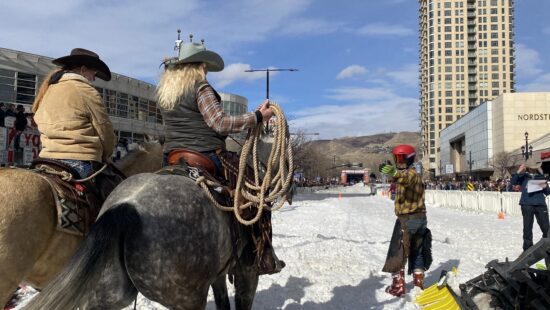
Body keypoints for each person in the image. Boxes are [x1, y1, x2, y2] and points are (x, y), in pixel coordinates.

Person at [156, 39, 283, 275]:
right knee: (258, 192)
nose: (205, 69)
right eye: (204, 65)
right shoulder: (200, 87)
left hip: (171, 158)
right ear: (198, 66)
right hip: (205, 155)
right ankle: (261, 256)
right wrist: (256, 116)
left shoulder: (166, 93)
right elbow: (219, 123)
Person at [32, 48, 119, 198]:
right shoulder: (85, 89)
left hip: (46, 158)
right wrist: (107, 153)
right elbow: (104, 130)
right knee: (116, 200)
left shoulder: (47, 89)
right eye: (94, 74)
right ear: (84, 69)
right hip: (80, 160)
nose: (93, 79)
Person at [380, 144, 432, 296]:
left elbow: (405, 178)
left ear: (410, 159)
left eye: (402, 159)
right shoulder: (411, 175)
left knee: (398, 251)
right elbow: (402, 180)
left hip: (408, 219)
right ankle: (418, 283)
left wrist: (394, 173)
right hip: (420, 219)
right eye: (397, 159)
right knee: (417, 251)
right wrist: (394, 174)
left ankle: (398, 286)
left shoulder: (412, 174)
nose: (399, 162)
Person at [511, 159, 550, 251]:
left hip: (540, 204)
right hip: (527, 204)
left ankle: (547, 246)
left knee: (546, 228)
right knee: (527, 227)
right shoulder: (523, 176)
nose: (534, 169)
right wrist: (518, 171)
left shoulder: (541, 177)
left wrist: (543, 176)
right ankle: (527, 249)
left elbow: (547, 192)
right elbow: (512, 183)